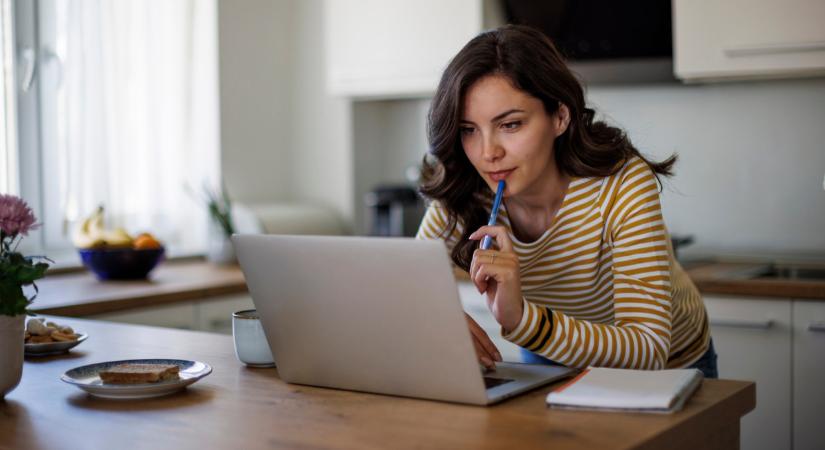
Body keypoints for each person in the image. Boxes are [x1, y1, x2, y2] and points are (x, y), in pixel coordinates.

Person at [415, 25, 717, 378]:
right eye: (469, 130)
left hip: (668, 368)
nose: (487, 153)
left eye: (510, 124)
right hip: (551, 355)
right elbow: (408, 287)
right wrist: (438, 318)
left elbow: (648, 346)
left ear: (559, 116)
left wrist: (522, 320)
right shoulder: (466, 187)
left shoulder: (621, 183)